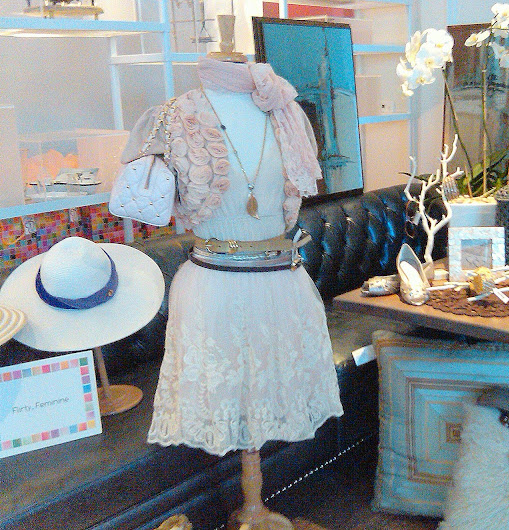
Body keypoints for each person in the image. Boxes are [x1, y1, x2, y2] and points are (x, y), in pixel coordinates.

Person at [119, 56, 343, 528]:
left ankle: (257, 507)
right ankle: (249, 507)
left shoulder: (287, 111)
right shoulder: (171, 118)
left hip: (282, 283)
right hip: (213, 288)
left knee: (268, 396)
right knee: (229, 395)